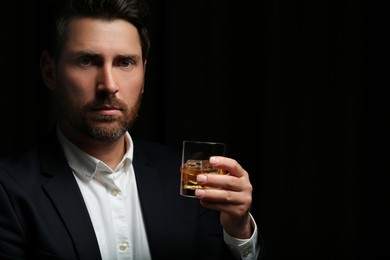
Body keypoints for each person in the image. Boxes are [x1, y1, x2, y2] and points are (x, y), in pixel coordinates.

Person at [0, 0, 263, 259]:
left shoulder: (185, 180)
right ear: (49, 72)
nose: (108, 84)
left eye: (125, 62)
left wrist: (238, 230)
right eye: (88, 61)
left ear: (144, 74)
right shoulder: (9, 189)